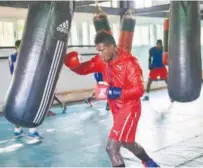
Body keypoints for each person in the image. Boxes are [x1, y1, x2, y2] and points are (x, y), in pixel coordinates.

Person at [64, 31, 160, 167]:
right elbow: (85, 69)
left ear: (112, 47)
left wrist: (114, 92)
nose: (100, 54)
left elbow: (139, 90)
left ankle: (149, 162)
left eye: (102, 50)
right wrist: (74, 65)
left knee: (111, 148)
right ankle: (149, 162)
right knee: (127, 142)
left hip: (129, 108)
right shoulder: (101, 60)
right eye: (98, 51)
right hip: (116, 109)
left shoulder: (129, 63)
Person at [8, 40, 42, 139]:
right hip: (25, 84)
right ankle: (32, 131)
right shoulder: (24, 56)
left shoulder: (12, 56)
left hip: (16, 85)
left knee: (18, 108)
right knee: (31, 106)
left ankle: (17, 131)